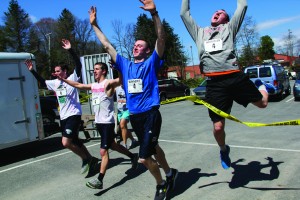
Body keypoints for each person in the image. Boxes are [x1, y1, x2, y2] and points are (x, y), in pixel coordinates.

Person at [88, 0, 178, 199]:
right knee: (154, 148)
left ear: (147, 51)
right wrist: (94, 25)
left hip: (151, 114)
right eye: (135, 44)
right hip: (135, 117)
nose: (136, 46)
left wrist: (154, 13)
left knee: (144, 158)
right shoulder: (125, 65)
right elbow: (106, 44)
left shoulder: (151, 63)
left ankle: (161, 184)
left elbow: (161, 38)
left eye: (140, 45)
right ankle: (171, 173)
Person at [180, 0, 276, 170]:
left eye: (221, 12)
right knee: (218, 127)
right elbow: (184, 14)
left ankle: (262, 86)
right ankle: (224, 149)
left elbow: (243, 6)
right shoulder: (199, 32)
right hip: (214, 83)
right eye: (215, 12)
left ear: (226, 19)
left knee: (263, 103)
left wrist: (271, 165)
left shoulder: (229, 28)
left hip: (234, 78)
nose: (216, 13)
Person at [54, 62, 138, 190]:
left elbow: (120, 80)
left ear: (104, 71)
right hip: (99, 123)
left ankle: (100, 180)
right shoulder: (93, 86)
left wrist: (118, 69)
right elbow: (77, 84)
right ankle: (133, 156)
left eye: (97, 69)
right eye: (94, 69)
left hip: (107, 123)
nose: (94, 71)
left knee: (103, 151)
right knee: (113, 145)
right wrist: (63, 79)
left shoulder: (108, 84)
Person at [25, 39, 97, 175]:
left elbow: (78, 64)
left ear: (64, 71)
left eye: (58, 71)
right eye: (55, 71)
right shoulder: (55, 83)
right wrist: (31, 71)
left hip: (73, 115)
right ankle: (91, 159)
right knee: (75, 140)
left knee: (65, 143)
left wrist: (70, 49)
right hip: (63, 117)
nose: (56, 73)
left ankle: (86, 159)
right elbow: (42, 82)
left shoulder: (72, 78)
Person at [115, 85, 139, 149]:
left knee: (122, 125)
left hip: (127, 109)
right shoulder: (117, 88)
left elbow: (134, 99)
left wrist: (125, 101)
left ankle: (124, 144)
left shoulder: (129, 87)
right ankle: (133, 140)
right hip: (120, 110)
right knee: (124, 127)